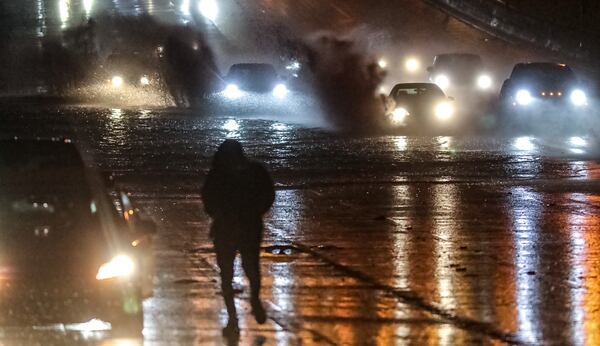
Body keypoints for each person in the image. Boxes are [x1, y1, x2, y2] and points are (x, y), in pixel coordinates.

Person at [201, 139, 275, 337]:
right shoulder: (256, 171)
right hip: (250, 226)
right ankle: (255, 299)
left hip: (225, 228)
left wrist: (219, 214)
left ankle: (232, 317)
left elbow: (207, 199)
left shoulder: (217, 174)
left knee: (226, 273)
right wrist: (257, 211)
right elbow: (268, 194)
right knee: (251, 266)